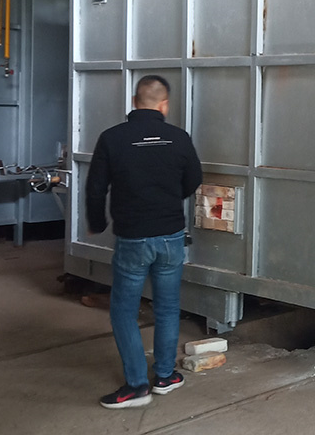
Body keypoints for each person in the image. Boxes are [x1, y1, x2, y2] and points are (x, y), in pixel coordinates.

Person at [86, 75, 202, 409]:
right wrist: (169, 198)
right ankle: (165, 376)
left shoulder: (112, 138)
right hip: (171, 236)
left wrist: (97, 223)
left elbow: (95, 188)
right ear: (164, 105)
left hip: (133, 238)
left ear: (135, 102)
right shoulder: (179, 138)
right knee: (167, 307)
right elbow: (194, 179)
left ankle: (137, 386)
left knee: (124, 310)